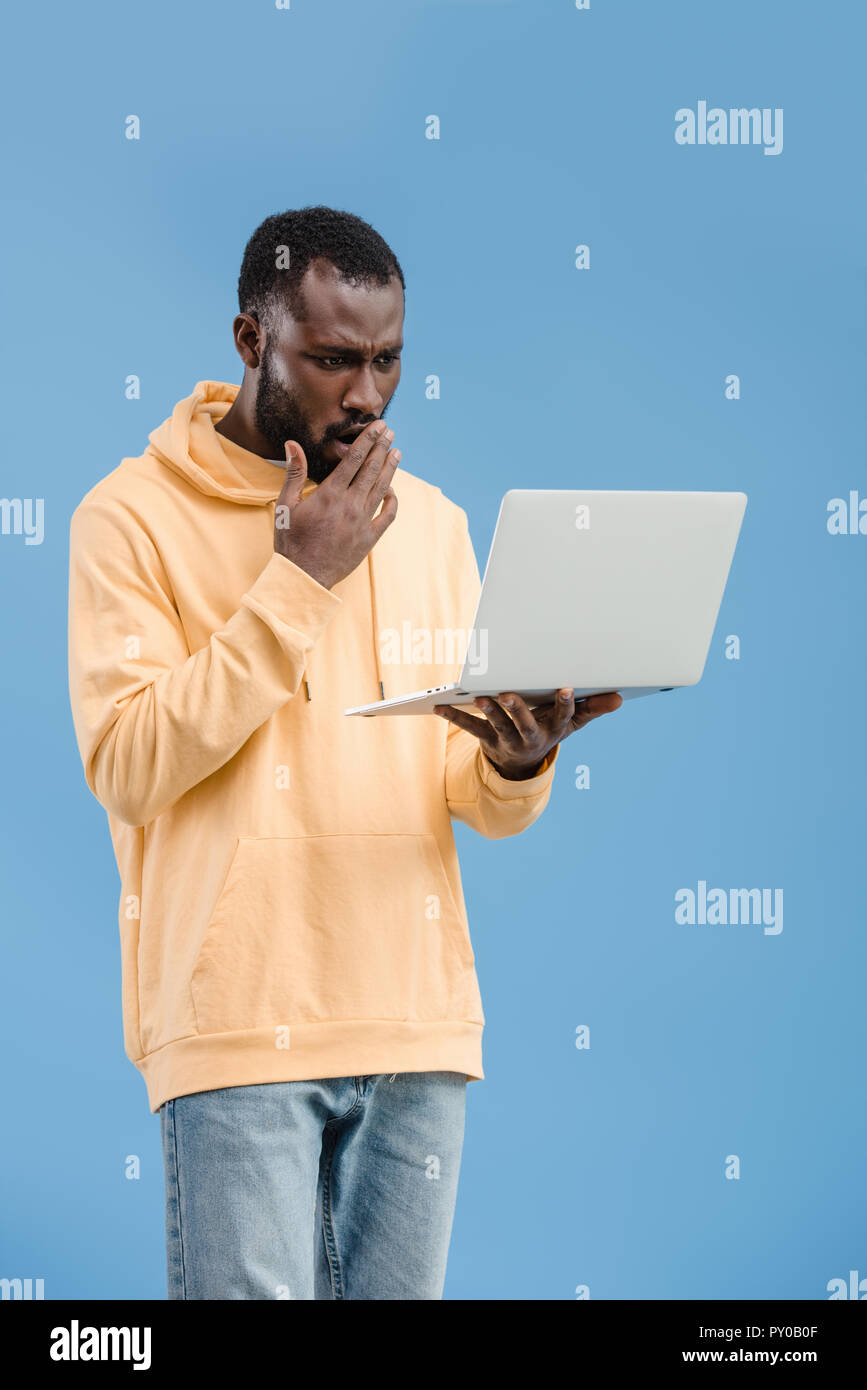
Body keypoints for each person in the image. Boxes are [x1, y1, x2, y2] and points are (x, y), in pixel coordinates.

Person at [67, 205, 621, 1300]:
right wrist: (298, 581)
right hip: (236, 1029)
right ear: (250, 341)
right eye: (330, 359)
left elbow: (464, 792)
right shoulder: (126, 520)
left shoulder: (434, 524)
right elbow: (127, 761)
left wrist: (517, 760)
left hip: (416, 1028)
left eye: (386, 360)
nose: (364, 394)